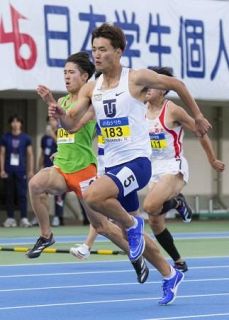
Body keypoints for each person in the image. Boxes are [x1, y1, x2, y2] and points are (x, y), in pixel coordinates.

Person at [48, 23, 211, 305]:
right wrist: (60, 114)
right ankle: (170, 273)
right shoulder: (92, 88)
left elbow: (177, 85)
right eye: (94, 50)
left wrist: (196, 116)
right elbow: (72, 124)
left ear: (119, 51)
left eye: (103, 50)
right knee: (131, 232)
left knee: (94, 196)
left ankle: (132, 224)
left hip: (137, 162)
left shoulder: (135, 78)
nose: (97, 55)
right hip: (113, 167)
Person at [143, 66, 225, 272]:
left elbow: (200, 130)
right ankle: (178, 260)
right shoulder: (140, 109)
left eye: (154, 84)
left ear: (163, 89)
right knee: (154, 220)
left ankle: (176, 201)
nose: (148, 88)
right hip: (152, 168)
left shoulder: (172, 110)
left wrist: (212, 159)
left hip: (173, 165)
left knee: (149, 205)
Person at [0, 114, 34, 227]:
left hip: (21, 170)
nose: (15, 124)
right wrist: (2, 170)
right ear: (10, 124)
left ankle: (24, 218)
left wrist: (30, 170)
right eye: (13, 121)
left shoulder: (26, 138)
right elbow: (2, 154)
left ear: (21, 124)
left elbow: (30, 154)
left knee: (22, 194)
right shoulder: (5, 137)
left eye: (17, 121)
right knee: (9, 194)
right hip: (9, 170)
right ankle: (10, 218)